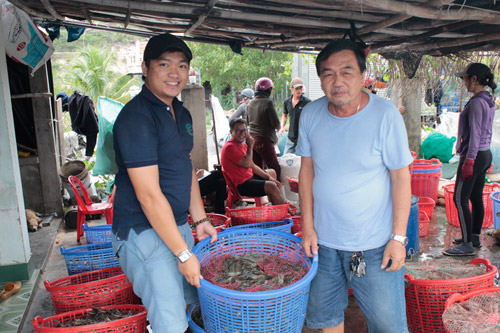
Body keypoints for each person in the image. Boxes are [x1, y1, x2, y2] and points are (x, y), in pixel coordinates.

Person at [297, 39, 413, 332]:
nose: (338, 81)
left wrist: (398, 239)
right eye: (328, 73)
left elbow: (401, 177)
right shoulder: (310, 114)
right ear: (321, 79)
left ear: (363, 75)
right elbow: (306, 172)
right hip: (323, 244)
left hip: (375, 246)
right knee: (326, 320)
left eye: (347, 72)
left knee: (389, 326)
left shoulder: (385, 116)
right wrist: (308, 227)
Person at [112, 33, 217, 333]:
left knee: (191, 299)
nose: (175, 73)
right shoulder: (137, 118)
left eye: (182, 66)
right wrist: (184, 253)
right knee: (169, 321)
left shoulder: (180, 112)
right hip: (143, 231)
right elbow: (148, 196)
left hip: (175, 224)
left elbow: (186, 166)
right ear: (145, 68)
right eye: (164, 64)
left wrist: (200, 220)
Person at [444, 63, 496, 256]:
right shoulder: (488, 100)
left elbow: (475, 134)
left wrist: (469, 160)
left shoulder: (476, 103)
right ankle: (473, 236)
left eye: (465, 78)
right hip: (485, 152)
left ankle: (466, 244)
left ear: (474, 79)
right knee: (475, 196)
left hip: (474, 155)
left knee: (460, 198)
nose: (464, 82)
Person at [221, 118, 286, 205]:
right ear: (231, 132)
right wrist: (250, 146)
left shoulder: (242, 145)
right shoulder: (230, 147)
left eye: (244, 130)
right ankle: (285, 210)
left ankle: (275, 204)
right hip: (240, 185)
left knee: (272, 173)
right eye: (238, 131)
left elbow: (252, 166)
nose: (242, 133)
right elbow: (247, 164)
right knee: (272, 186)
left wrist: (269, 177)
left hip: (248, 177)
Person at [246, 77, 282, 179]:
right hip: (264, 140)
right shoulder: (268, 103)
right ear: (268, 90)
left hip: (252, 139)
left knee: (257, 169)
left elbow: (248, 122)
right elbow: (276, 124)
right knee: (274, 167)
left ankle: (260, 192)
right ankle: (277, 191)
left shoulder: (250, 103)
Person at [279, 77, 311, 154]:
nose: (299, 91)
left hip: (304, 138)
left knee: (305, 161)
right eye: (297, 88)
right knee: (286, 159)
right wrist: (282, 127)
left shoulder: (307, 102)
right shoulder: (287, 102)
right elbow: (284, 115)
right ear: (291, 88)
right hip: (291, 137)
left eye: (300, 88)